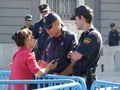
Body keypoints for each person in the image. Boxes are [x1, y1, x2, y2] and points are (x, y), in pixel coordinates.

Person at [67, 5, 102, 89]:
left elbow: (76, 56)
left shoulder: (92, 35)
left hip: (87, 81)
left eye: (76, 19)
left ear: (82, 18)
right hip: (82, 79)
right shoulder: (84, 35)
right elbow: (75, 55)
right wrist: (73, 55)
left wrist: (72, 54)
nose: (75, 22)